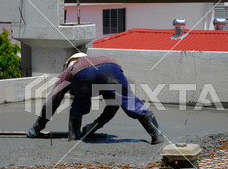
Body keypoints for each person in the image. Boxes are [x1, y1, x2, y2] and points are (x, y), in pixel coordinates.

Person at [27, 52, 164, 144]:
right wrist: (94, 126)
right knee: (130, 102)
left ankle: (74, 137)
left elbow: (53, 100)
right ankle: (156, 135)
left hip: (84, 73)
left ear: (69, 63)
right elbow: (113, 106)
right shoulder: (97, 60)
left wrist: (36, 127)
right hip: (112, 66)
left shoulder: (71, 69)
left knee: (78, 107)